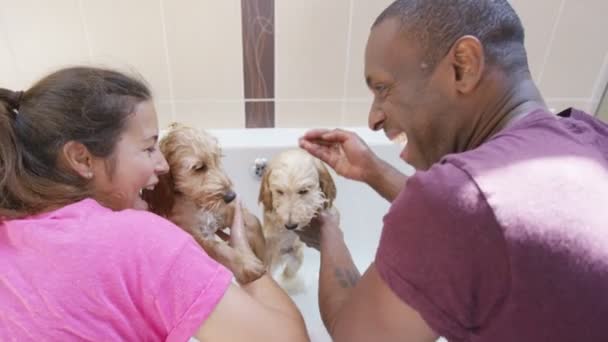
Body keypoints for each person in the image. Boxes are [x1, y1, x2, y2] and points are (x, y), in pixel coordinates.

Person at [297, 0, 608, 341]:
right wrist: (375, 172)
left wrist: (327, 232)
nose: (373, 119)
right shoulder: (590, 138)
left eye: (383, 88)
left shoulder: (453, 208)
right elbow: (486, 224)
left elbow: (354, 337)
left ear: (463, 66)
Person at [0, 67, 309, 341]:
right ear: (81, 158)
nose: (163, 166)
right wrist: (241, 256)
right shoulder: (135, 237)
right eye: (149, 149)